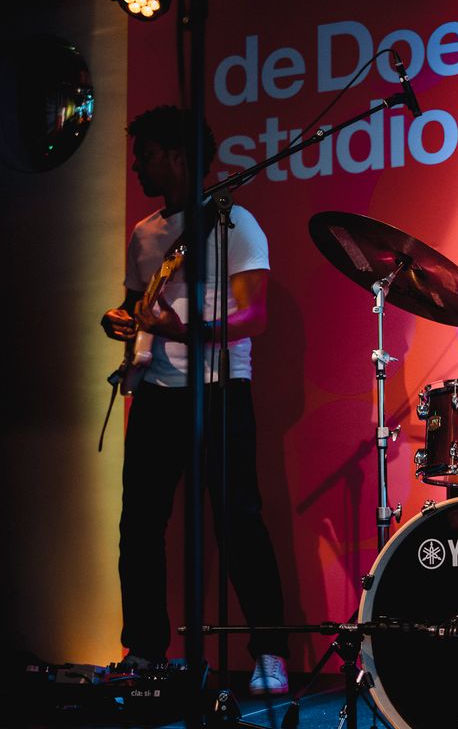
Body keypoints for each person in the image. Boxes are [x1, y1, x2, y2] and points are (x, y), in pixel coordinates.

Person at [100, 106, 289, 695]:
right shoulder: (145, 233)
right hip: (157, 394)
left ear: (179, 157)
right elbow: (137, 306)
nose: (137, 166)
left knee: (239, 523)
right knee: (139, 527)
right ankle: (144, 651)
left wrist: (186, 331)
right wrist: (120, 320)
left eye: (147, 155)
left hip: (220, 391)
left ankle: (270, 653)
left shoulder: (236, 225)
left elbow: (253, 316)